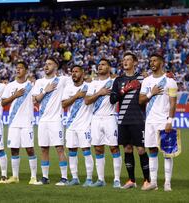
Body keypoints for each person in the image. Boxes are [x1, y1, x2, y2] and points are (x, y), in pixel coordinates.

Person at [110, 53, 150, 189]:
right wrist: (124, 90)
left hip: (138, 118)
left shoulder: (143, 78)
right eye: (124, 60)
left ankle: (147, 180)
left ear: (135, 62)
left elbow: (154, 84)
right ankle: (131, 180)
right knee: (127, 149)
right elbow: (112, 99)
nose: (125, 62)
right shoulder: (118, 80)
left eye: (128, 60)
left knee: (140, 149)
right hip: (123, 119)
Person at [139, 53, 178, 191]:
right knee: (152, 150)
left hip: (163, 121)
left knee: (167, 152)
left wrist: (170, 121)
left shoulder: (170, 81)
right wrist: (152, 93)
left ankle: (167, 183)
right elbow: (141, 100)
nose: (152, 63)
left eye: (155, 60)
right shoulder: (146, 81)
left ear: (161, 63)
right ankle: (154, 182)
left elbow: (173, 103)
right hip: (149, 121)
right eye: (150, 61)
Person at [31, 57, 70, 186]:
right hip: (42, 120)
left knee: (59, 148)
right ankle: (45, 177)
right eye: (45, 64)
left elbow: (78, 81)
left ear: (56, 67)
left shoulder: (63, 80)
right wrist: (45, 91)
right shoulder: (39, 82)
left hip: (56, 120)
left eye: (49, 64)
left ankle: (64, 178)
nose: (46, 66)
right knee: (44, 149)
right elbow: (35, 100)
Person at [1, 61, 41, 185]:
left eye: (21, 68)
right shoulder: (10, 86)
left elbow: (36, 99)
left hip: (27, 122)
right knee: (14, 149)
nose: (18, 70)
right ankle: (15, 176)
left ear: (26, 71)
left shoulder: (31, 86)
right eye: (16, 68)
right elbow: (3, 103)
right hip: (13, 122)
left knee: (29, 149)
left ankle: (33, 177)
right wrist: (15, 96)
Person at [84, 58, 122, 188]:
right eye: (99, 65)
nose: (100, 66)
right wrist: (100, 93)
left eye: (103, 64)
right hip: (95, 118)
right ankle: (101, 180)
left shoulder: (114, 82)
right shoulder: (93, 84)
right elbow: (87, 101)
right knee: (98, 148)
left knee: (113, 148)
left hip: (110, 117)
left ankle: (117, 179)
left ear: (109, 67)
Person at [61, 65, 94, 187]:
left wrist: (84, 95)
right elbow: (64, 104)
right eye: (72, 72)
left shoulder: (89, 86)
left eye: (76, 71)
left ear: (83, 73)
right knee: (72, 150)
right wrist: (76, 96)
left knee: (86, 150)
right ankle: (75, 178)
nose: (74, 74)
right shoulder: (68, 88)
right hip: (70, 125)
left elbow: (90, 100)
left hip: (85, 124)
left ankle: (89, 178)